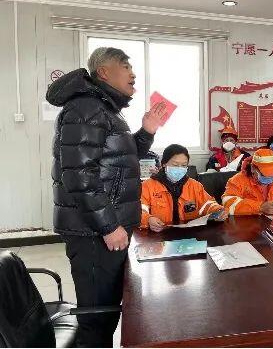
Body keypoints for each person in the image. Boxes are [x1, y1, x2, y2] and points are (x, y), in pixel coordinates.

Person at [46, 47, 166, 347]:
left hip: (103, 227)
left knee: (107, 312)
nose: (133, 74)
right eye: (125, 66)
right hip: (94, 232)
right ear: (103, 72)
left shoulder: (105, 109)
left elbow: (120, 159)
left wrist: (146, 132)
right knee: (97, 318)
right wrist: (108, 226)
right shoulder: (87, 107)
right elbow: (79, 175)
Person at [141, 144, 227, 232]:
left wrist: (218, 210)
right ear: (164, 164)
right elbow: (139, 210)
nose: (179, 168)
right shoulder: (147, 186)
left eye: (183, 165)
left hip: (189, 234)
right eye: (175, 165)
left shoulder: (194, 185)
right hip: (158, 234)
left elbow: (207, 204)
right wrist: (148, 219)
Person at [221, 148, 273, 215]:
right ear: (253, 168)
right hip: (249, 227)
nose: (269, 177)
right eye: (265, 173)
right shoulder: (237, 180)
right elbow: (228, 204)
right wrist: (260, 207)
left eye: (272, 173)